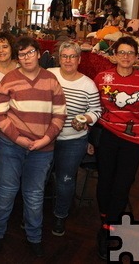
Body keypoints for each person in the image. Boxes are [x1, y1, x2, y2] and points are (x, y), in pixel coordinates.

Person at [0, 36, 66, 258]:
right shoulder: (9, 79)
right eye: (22, 54)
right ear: (18, 57)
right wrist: (18, 139)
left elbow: (59, 114)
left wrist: (46, 139)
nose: (26, 57)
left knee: (34, 195)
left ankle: (34, 237)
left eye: (30, 52)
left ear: (39, 53)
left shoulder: (51, 80)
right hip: (11, 146)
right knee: (5, 191)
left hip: (42, 149)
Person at [93, 36, 139, 260]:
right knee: (105, 181)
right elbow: (94, 107)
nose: (126, 56)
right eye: (122, 52)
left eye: (131, 53)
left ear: (137, 57)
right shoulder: (102, 78)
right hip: (107, 136)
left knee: (122, 185)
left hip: (135, 140)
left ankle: (109, 226)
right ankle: (105, 224)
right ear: (114, 55)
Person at [47, 41, 101, 237]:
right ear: (59, 58)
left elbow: (96, 110)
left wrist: (86, 119)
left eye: (72, 56)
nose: (68, 60)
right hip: (46, 138)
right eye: (64, 56)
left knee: (65, 179)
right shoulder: (49, 74)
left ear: (79, 59)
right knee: (39, 177)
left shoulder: (88, 84)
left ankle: (60, 215)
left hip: (73, 139)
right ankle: (35, 213)